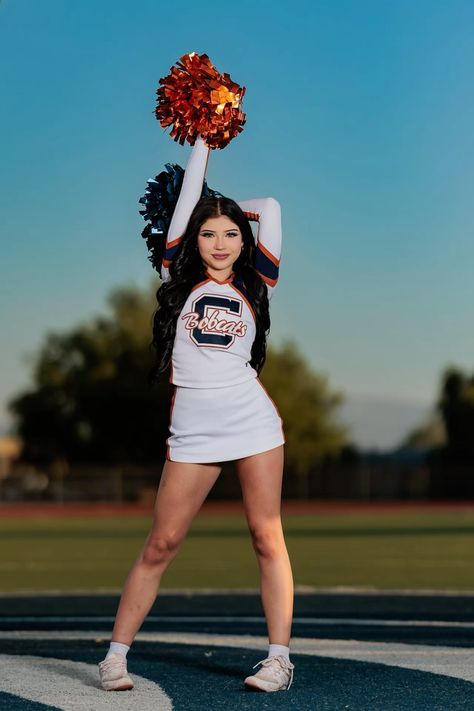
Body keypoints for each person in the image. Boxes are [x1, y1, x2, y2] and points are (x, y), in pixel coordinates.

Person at [98, 134, 295, 693]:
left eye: (232, 233)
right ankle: (115, 656)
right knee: (161, 544)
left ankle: (278, 660)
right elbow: (187, 200)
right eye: (208, 234)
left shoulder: (261, 285)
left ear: (243, 238)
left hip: (254, 423)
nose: (220, 243)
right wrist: (204, 145)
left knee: (266, 536)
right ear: (192, 241)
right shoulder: (174, 277)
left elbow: (272, 208)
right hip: (193, 430)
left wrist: (224, 203)